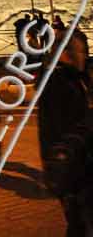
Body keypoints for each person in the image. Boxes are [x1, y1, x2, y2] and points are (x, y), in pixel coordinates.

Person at [37, 28, 90, 235]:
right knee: (80, 224)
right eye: (81, 51)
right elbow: (57, 130)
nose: (84, 56)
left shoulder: (76, 78)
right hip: (73, 169)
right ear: (65, 53)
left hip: (80, 165)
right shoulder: (57, 83)